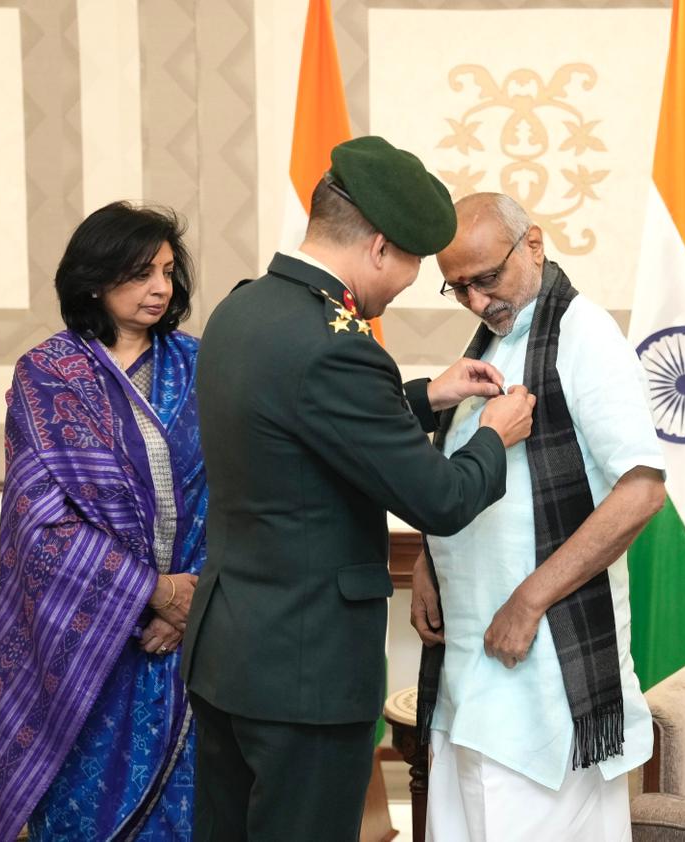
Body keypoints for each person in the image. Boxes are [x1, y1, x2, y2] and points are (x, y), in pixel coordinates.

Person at [180, 137, 534, 841]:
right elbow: (440, 499)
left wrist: (424, 395)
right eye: (410, 268)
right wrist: (495, 432)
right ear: (378, 248)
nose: (405, 286)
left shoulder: (242, 311)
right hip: (305, 678)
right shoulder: (339, 344)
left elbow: (298, 431)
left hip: (230, 658)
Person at [412, 192, 666, 842]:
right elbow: (471, 481)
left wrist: (528, 601)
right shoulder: (493, 343)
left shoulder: (584, 335)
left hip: (541, 680)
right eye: (457, 287)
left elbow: (640, 492)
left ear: (533, 244)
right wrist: (429, 562)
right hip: (470, 678)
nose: (474, 301)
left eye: (486, 279)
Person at [0, 202, 206, 841]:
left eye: (168, 271)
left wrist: (194, 592)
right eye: (140, 274)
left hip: (197, 632)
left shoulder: (201, 365)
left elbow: (240, 489)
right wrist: (151, 593)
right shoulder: (48, 376)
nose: (160, 288)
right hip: (91, 646)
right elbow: (40, 525)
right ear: (93, 279)